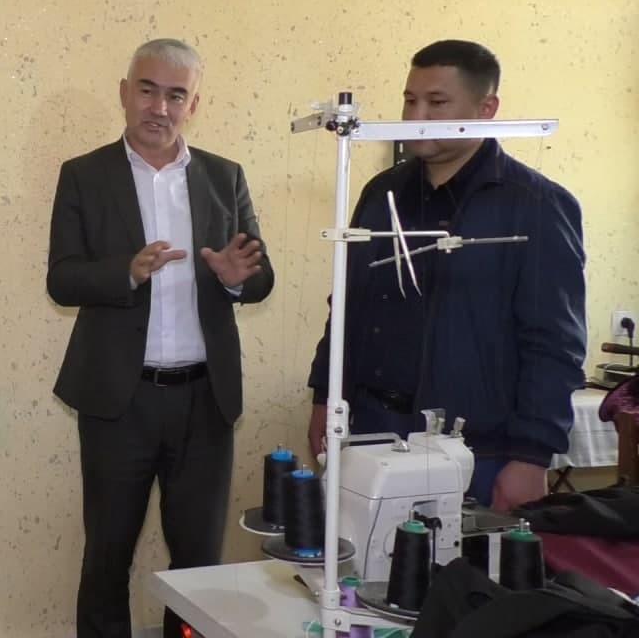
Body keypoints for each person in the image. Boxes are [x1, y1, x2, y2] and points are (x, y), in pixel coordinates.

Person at [47, 38, 275, 638]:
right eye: (147, 90)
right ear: (125, 93)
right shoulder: (84, 175)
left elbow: (261, 276)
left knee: (199, 566)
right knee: (106, 559)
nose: (159, 107)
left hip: (205, 401)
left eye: (176, 95)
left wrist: (234, 279)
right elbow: (62, 278)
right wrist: (125, 271)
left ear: (193, 104)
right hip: (117, 403)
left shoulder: (225, 176)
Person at [306, 39, 587, 511]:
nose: (416, 115)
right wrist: (324, 396)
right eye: (409, 100)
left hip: (477, 452)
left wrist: (532, 457)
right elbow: (347, 306)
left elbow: (554, 344)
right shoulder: (382, 193)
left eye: (436, 102)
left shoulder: (536, 205)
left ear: (486, 108)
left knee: (460, 561)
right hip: (371, 434)